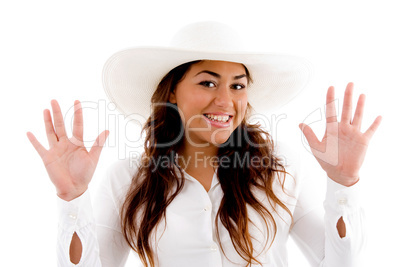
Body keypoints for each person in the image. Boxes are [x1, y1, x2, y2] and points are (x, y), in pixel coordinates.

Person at [26, 21, 382, 267]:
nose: (225, 101)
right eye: (208, 83)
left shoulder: (280, 167)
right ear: (172, 91)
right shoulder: (127, 179)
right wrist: (72, 197)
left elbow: (338, 260)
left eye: (238, 85)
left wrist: (344, 182)